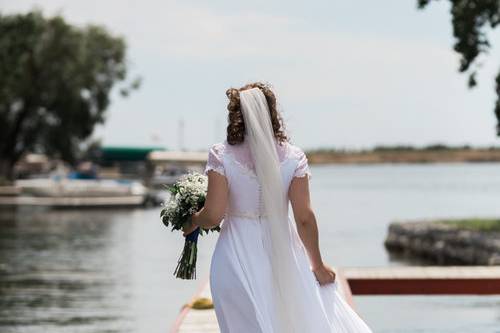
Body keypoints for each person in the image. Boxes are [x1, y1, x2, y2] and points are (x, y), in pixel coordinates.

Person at [183, 82, 373, 332]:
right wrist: (317, 265)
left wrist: (192, 221)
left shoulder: (221, 154)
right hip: (283, 251)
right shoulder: (294, 157)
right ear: (272, 113)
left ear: (236, 115)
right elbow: (304, 217)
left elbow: (213, 215)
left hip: (236, 254)